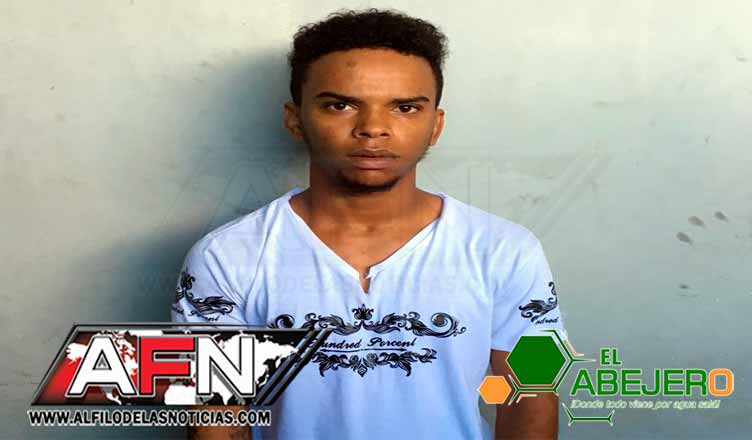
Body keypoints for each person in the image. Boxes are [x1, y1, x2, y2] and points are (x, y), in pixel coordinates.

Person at [172, 8, 568, 440]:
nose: (373, 128)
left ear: (435, 125)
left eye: (405, 107)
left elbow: (532, 394)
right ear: (295, 119)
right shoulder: (227, 256)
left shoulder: (507, 250)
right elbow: (216, 421)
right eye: (340, 105)